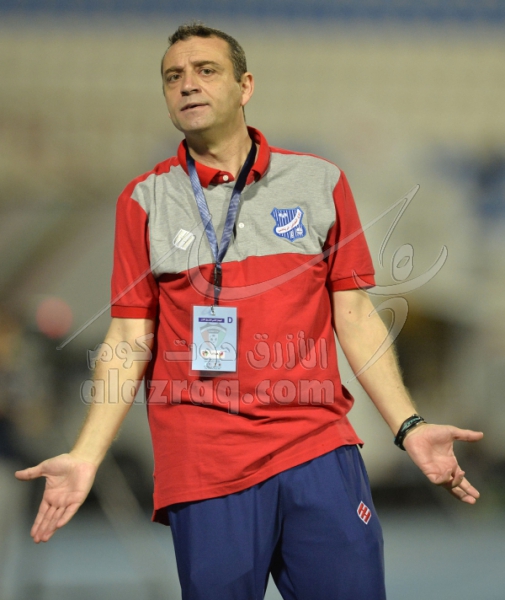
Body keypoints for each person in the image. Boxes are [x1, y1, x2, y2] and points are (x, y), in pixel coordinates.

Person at [15, 23, 484, 600]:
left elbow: (356, 316)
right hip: (205, 466)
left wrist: (408, 425)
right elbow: (129, 338)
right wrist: (86, 456)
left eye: (206, 71)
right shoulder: (144, 199)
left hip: (317, 451)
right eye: (173, 77)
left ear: (245, 86)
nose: (188, 84)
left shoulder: (318, 181)